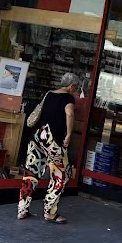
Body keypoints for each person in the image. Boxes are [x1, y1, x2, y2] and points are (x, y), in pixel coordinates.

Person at [17, 72, 79, 223]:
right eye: (76, 88)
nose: (76, 91)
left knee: (31, 172)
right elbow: (69, 114)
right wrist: (69, 135)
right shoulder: (68, 98)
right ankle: (50, 212)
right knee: (60, 175)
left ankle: (22, 210)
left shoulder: (49, 94)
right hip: (53, 140)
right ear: (71, 86)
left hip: (37, 136)